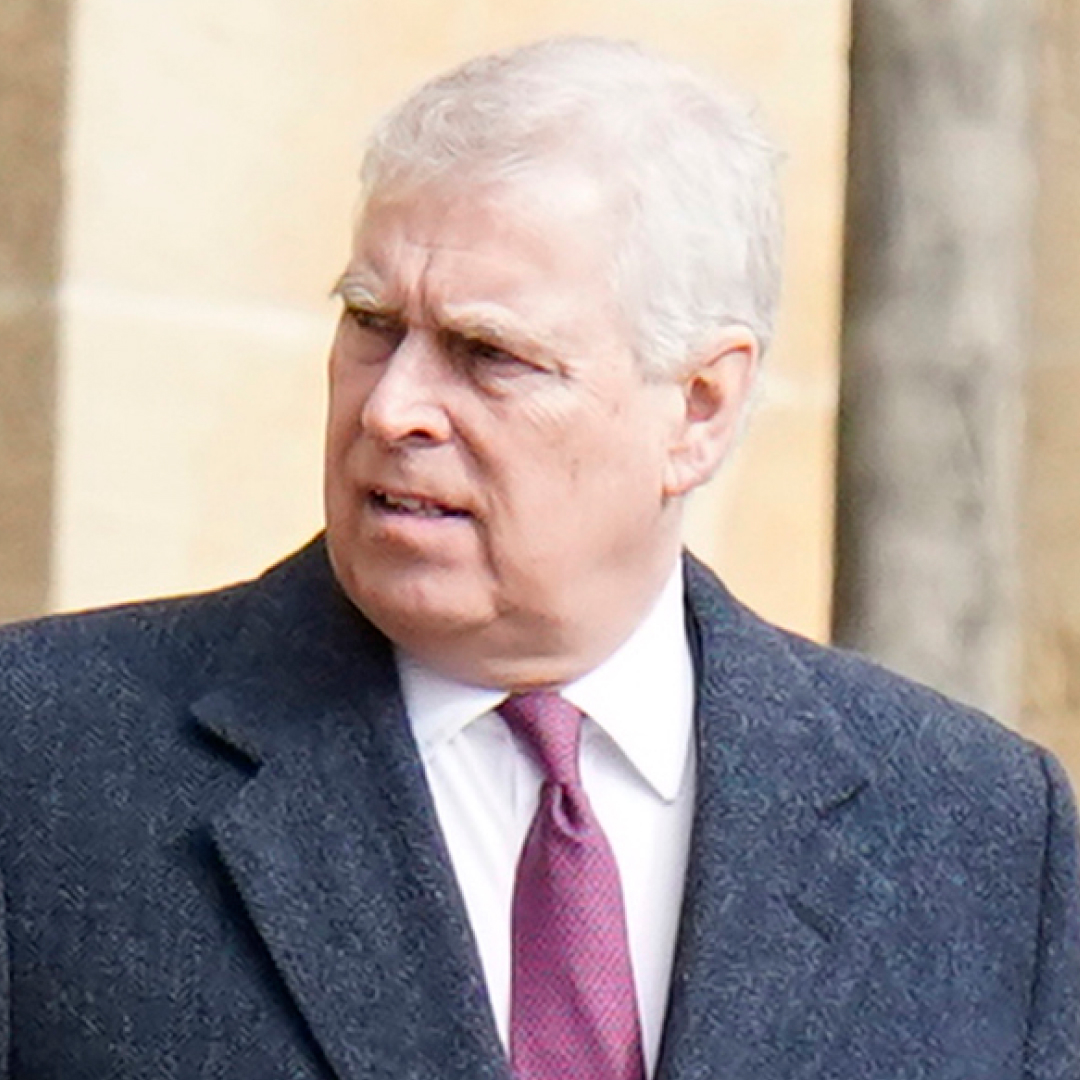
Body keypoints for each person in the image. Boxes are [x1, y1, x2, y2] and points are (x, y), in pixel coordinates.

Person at [0, 36, 1076, 1080]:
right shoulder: (42, 754)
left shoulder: (978, 831)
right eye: (372, 323)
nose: (394, 407)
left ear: (699, 407)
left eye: (488, 354)